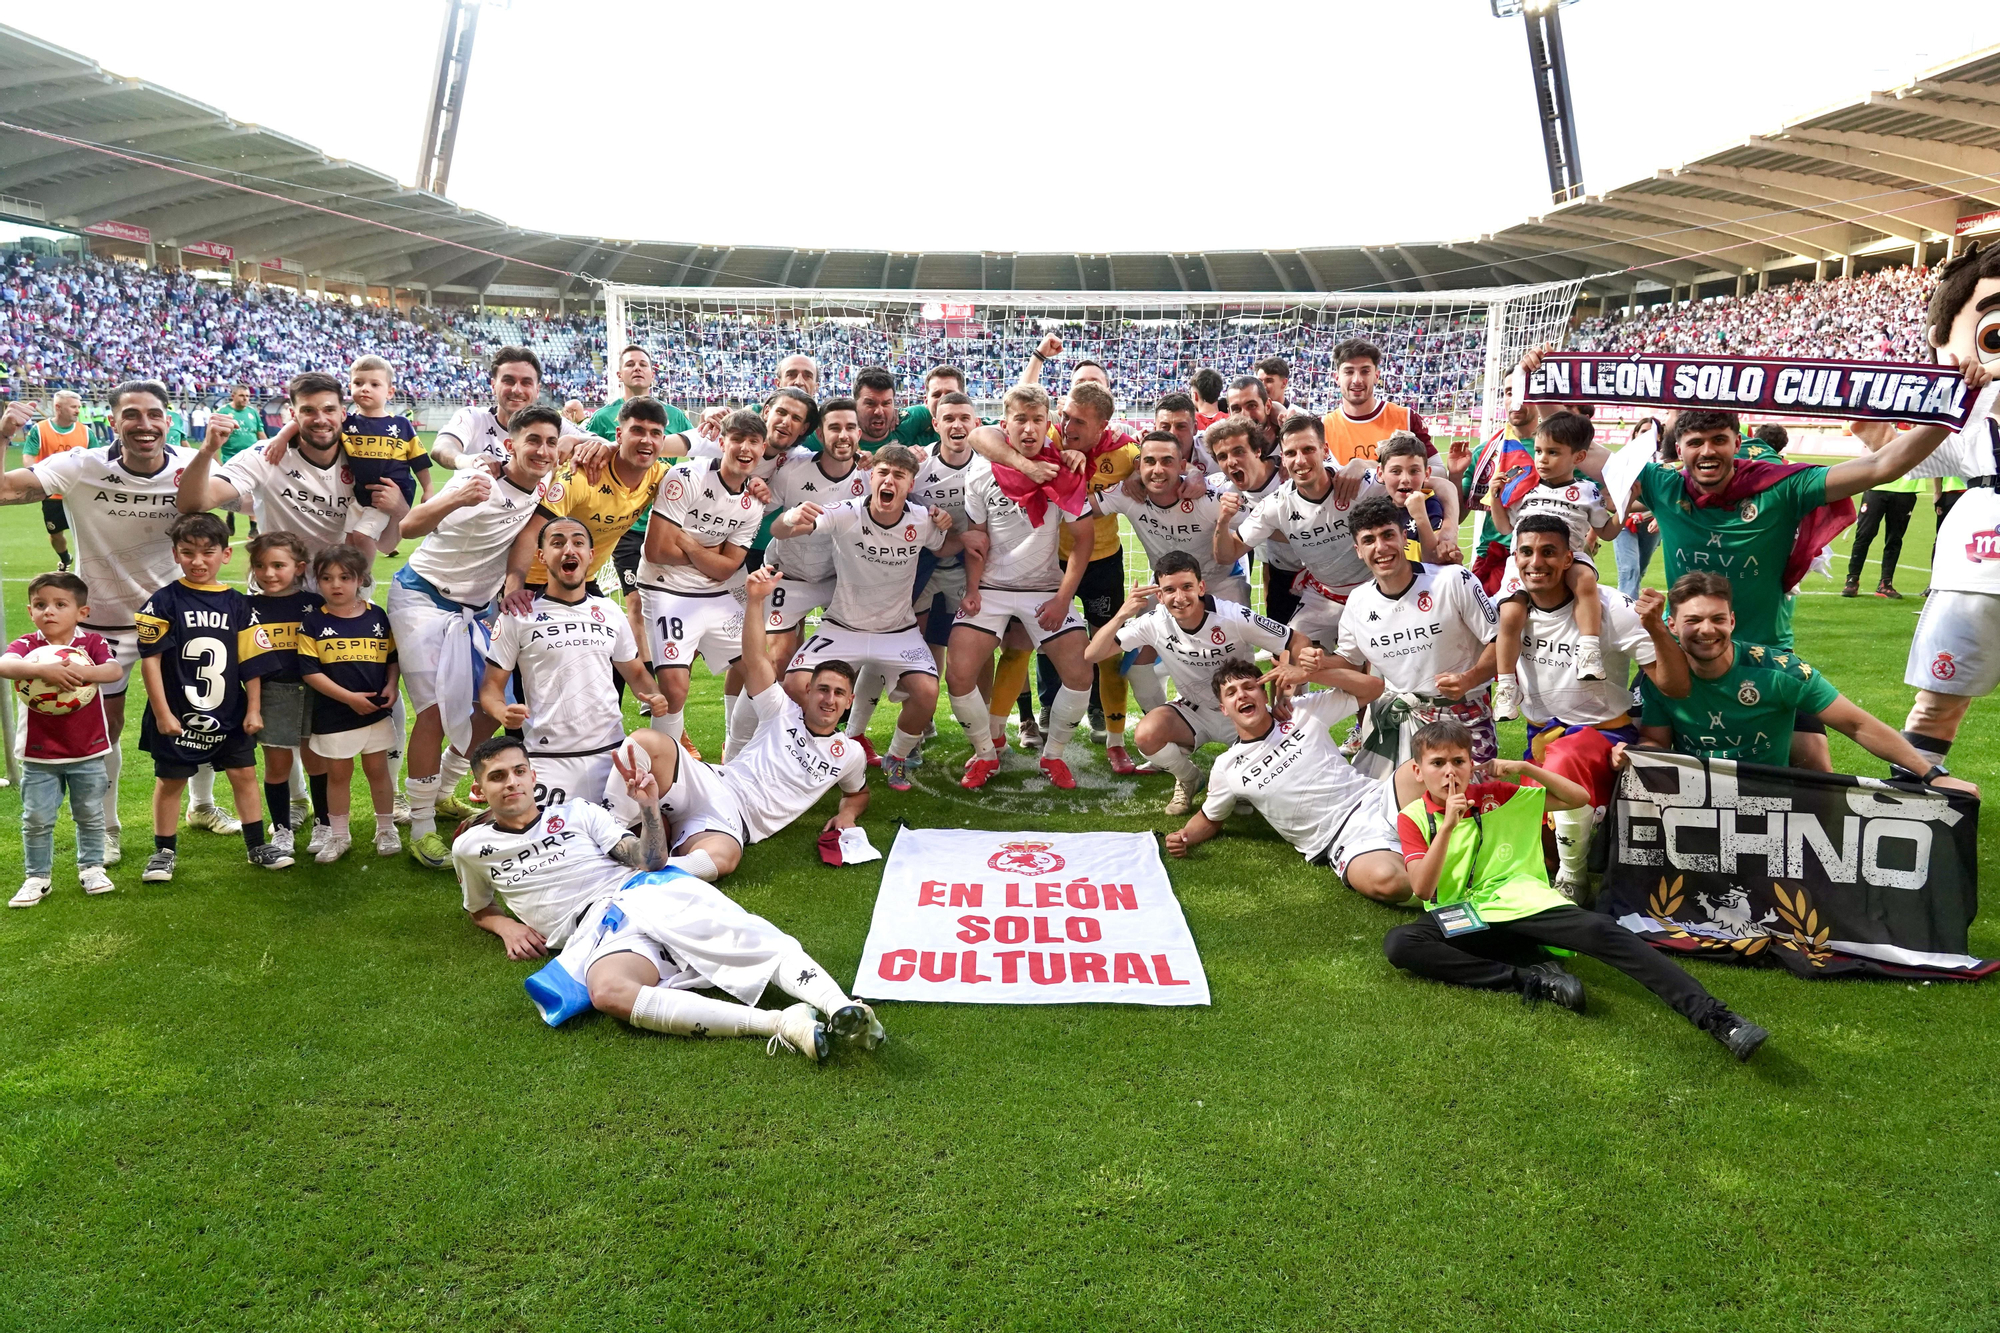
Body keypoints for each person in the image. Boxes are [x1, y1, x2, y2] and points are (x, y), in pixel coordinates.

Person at [454, 735, 877, 1062]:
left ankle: (838, 1004)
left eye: (519, 771)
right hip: (594, 933)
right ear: (479, 788)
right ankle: (781, 1024)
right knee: (608, 992)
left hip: (644, 890)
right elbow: (478, 908)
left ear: (533, 776)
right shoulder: (470, 848)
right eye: (498, 776)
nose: (512, 782)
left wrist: (649, 808)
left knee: (746, 939)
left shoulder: (577, 813)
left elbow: (649, 860)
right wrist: (505, 925)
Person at [1383, 719, 1771, 1062]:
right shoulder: (1412, 818)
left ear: (1471, 764)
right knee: (1401, 943)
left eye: (1458, 761)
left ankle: (1718, 1019)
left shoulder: (1496, 796)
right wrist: (1448, 826)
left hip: (1522, 903)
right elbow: (1423, 888)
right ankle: (1529, 979)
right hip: (1465, 918)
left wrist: (1525, 768)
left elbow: (1578, 798)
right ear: (1418, 770)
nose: (1449, 772)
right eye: (1437, 763)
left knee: (1603, 931)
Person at [1, 380, 202, 862]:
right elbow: (6, 490)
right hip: (105, 626)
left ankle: (203, 805)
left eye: (153, 414)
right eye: (131, 414)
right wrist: (4, 435)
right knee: (105, 728)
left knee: (198, 712)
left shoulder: (190, 466)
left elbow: (253, 496)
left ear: (168, 420)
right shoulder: (82, 465)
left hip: (173, 618)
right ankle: (108, 828)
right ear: (112, 421)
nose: (144, 424)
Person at [607, 566, 872, 884]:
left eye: (838, 693)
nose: (829, 699)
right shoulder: (781, 710)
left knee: (721, 860)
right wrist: (755, 601)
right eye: (823, 689)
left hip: (734, 821)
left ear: (849, 701)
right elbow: (756, 658)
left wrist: (847, 814)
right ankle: (609, 830)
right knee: (646, 740)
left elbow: (858, 793)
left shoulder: (849, 753)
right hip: (712, 782)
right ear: (808, 690)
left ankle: (648, 867)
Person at [392, 404, 565, 869]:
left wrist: (512, 581)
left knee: (492, 710)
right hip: (424, 598)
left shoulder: (545, 481)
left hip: (477, 608)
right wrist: (456, 498)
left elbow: (526, 533)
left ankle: (444, 791)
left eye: (551, 442)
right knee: (433, 712)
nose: (543, 450)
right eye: (533, 441)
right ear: (510, 445)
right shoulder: (480, 479)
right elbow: (408, 527)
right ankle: (422, 825)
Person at [1641, 573, 1979, 797]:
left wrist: (1933, 775)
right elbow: (1655, 742)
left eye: (1717, 619)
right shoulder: (1658, 678)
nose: (1707, 630)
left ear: (1732, 621)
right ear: (1671, 625)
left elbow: (1858, 724)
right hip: (1698, 797)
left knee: (1821, 776)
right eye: (1693, 620)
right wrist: (1635, 753)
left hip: (1770, 796)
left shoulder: (1779, 670)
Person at [1500, 515, 1689, 899]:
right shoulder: (1511, 608)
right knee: (1534, 848)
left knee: (1564, 761)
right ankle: (1582, 846)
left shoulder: (1612, 607)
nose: (1536, 562)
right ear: (1515, 557)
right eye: (1527, 552)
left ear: (1569, 559)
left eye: (1548, 552)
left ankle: (1575, 881)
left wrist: (1657, 628)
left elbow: (1675, 686)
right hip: (1541, 738)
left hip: (1602, 740)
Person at [769, 444, 955, 790]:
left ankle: (896, 757)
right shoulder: (846, 512)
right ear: (871, 478)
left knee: (927, 692)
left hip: (897, 631)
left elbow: (943, 546)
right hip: (843, 626)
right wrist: (790, 517)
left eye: (899, 475)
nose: (889, 480)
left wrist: (962, 533)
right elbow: (780, 531)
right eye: (882, 472)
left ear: (910, 484)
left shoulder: (921, 519)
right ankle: (812, 753)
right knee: (795, 685)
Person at [946, 385, 1098, 791]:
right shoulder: (980, 473)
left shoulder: (1063, 471)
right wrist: (973, 589)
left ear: (1049, 425)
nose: (1029, 429)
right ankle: (986, 754)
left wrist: (1063, 599)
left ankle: (1054, 755)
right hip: (992, 587)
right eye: (1020, 420)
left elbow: (1084, 540)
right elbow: (977, 538)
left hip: (1043, 589)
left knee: (1080, 672)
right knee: (958, 674)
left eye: (1037, 420)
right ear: (1005, 425)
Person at [1163, 659, 1411, 905]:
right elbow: (1210, 818)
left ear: (1264, 695)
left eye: (1249, 687)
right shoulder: (1227, 767)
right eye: (1231, 693)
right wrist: (1184, 836)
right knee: (1387, 880)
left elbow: (1374, 687)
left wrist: (1308, 675)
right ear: (1224, 709)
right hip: (1341, 838)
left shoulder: (1301, 711)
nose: (1242, 695)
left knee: (1419, 768)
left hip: (1378, 797)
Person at [134, 513, 294, 881]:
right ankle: (163, 851)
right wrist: (162, 713)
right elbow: (150, 661)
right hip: (178, 711)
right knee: (170, 781)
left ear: (225, 554)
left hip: (230, 710)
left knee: (244, 774)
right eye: (188, 552)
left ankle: (256, 845)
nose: (198, 561)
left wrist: (254, 710)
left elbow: (252, 664)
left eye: (208, 552)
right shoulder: (163, 601)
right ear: (175, 554)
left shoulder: (238, 604)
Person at [1890, 240, 2000, 775]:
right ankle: (1913, 791)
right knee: (1939, 701)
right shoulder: (1970, 425)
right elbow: (1899, 455)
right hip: (1974, 576)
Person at [1086, 550, 1296, 816]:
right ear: (1159, 596)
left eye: (1187, 587)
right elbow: (1092, 654)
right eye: (1169, 590)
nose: (1179, 597)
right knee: (1147, 735)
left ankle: (1242, 780)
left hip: (1242, 711)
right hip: (1194, 711)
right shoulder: (1153, 622)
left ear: (1201, 587)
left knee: (1245, 801)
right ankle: (1189, 778)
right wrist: (1121, 615)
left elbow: (1294, 641)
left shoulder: (1233, 616)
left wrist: (1283, 696)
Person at [483, 517, 667, 807]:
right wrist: (501, 711)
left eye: (578, 542)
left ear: (590, 555)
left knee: (648, 829)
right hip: (548, 758)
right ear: (541, 556)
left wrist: (654, 695)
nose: (569, 549)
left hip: (611, 755)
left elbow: (636, 674)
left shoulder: (610, 611)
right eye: (557, 543)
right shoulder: (518, 615)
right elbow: (490, 688)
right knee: (547, 835)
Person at [1332, 496, 1500, 773]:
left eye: (1388, 535)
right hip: (1399, 717)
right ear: (1358, 550)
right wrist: (1310, 665)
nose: (1380, 547)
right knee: (1385, 799)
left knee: (1469, 797)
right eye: (1369, 540)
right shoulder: (1358, 601)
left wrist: (1469, 678)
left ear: (1403, 537)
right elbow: (1348, 661)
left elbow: (1500, 641)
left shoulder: (1453, 580)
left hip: (1463, 717)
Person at [634, 409, 769, 749]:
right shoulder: (685, 476)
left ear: (763, 449)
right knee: (675, 689)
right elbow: (656, 550)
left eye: (753, 441)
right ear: (722, 442)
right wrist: (711, 556)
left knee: (762, 673)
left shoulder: (754, 503)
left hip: (716, 593)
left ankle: (736, 755)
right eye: (737, 439)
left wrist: (689, 543)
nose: (745, 448)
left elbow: (727, 569)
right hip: (665, 588)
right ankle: (664, 763)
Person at [1489, 409, 1620, 719]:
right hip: (1524, 562)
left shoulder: (1587, 491)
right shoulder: (1524, 487)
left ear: (1579, 457)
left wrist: (1624, 509)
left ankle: (1588, 651)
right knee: (1510, 614)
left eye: (1553, 452)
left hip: (1569, 557)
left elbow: (1606, 532)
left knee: (1584, 579)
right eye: (1538, 451)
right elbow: (1505, 528)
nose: (1542, 459)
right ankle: (1506, 687)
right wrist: (1495, 497)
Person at [1, 572, 121, 906]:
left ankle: (92, 869)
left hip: (87, 751)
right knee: (36, 819)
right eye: (40, 605)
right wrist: (42, 670)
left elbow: (113, 671)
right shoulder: (28, 646)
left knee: (90, 814)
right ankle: (37, 877)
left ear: (82, 612)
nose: (49, 611)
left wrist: (83, 672)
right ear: (30, 611)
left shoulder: (91, 644)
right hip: (39, 755)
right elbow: (5, 665)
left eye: (59, 604)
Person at [1215, 414, 1378, 651]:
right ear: (1283, 457)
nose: (1300, 461)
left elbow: (1422, 477)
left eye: (1308, 450)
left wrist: (1365, 464)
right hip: (1325, 595)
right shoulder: (1276, 504)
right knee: (1290, 655)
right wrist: (1222, 522)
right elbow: (1227, 554)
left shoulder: (1356, 483)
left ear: (1325, 450)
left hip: (1375, 589)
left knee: (1378, 661)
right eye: (1291, 453)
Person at [295, 545, 401, 863]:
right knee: (338, 775)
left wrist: (391, 685)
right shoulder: (313, 622)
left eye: (345, 577)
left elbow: (392, 659)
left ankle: (386, 829)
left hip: (374, 713)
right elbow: (310, 672)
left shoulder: (377, 616)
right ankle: (339, 835)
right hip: (334, 714)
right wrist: (349, 698)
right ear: (317, 581)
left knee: (378, 771)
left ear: (361, 579)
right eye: (327, 578)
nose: (336, 585)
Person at [758, 398, 867, 680]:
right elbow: (764, 515)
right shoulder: (793, 469)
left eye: (850, 427)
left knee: (845, 665)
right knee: (781, 661)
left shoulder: (871, 475)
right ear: (820, 433)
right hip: (789, 575)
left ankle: (839, 712)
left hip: (837, 580)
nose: (843, 435)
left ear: (859, 433)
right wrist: (784, 513)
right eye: (834, 428)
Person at [242, 531, 319, 848]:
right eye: (260, 566)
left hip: (315, 693)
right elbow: (249, 663)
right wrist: (254, 707)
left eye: (278, 565)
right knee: (277, 766)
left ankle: (325, 825)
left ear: (299, 568)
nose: (268, 573)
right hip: (272, 695)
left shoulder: (315, 605)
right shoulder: (246, 607)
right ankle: (282, 828)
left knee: (317, 762)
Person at [1204, 416, 1298, 623]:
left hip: (1326, 569)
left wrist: (1357, 463)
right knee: (1285, 640)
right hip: (1283, 574)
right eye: (1222, 456)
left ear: (1257, 451)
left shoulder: (1291, 475)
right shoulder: (1221, 488)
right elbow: (1185, 480)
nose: (1231, 461)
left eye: (1238, 451)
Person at [340, 355, 434, 540]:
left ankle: (367, 562)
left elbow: (419, 461)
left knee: (362, 535)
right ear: (350, 387)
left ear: (389, 392)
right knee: (348, 539)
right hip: (359, 495)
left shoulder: (401, 425)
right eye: (358, 383)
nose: (365, 388)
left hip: (389, 493)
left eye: (374, 384)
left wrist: (428, 489)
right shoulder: (346, 423)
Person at [1321, 338, 1434, 467]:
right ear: (1337, 378)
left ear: (1376, 376)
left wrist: (1370, 466)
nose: (1357, 380)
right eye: (1349, 372)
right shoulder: (1322, 427)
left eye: (1365, 371)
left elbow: (1438, 469)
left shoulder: (1407, 418)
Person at [19, 390, 87, 569]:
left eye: (78, 407)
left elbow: (97, 459)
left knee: (87, 534)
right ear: (58, 407)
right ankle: (65, 559)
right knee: (55, 533)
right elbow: (28, 456)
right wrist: (35, 478)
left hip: (78, 494)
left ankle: (89, 566)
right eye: (73, 407)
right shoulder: (40, 430)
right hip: (52, 495)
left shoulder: (86, 432)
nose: (77, 410)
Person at [1375, 431, 1459, 564]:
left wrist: (1420, 517)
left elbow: (1434, 558)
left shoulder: (1430, 505)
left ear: (1427, 474)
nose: (1405, 479)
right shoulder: (1380, 508)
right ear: (1380, 474)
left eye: (1414, 471)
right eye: (1395, 471)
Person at [1842, 468, 1921, 599]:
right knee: (1864, 534)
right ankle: (1852, 579)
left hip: (1906, 488)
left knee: (1895, 538)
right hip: (1876, 485)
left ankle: (1886, 583)